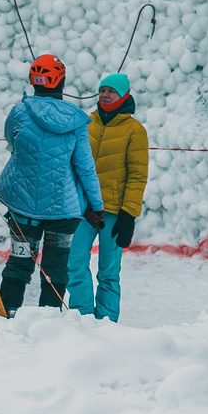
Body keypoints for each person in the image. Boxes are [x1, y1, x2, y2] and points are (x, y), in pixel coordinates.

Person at [0, 55, 102, 314]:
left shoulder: (19, 112)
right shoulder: (76, 121)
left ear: (33, 81)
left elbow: (12, 140)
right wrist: (96, 205)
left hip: (21, 205)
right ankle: (49, 319)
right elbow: (85, 168)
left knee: (19, 262)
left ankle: (7, 313)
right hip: (62, 209)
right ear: (61, 81)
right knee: (56, 266)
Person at [69, 72, 150, 321]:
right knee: (75, 264)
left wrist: (129, 215)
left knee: (108, 271)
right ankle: (82, 317)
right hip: (84, 209)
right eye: (102, 90)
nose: (105, 95)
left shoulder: (134, 130)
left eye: (111, 91)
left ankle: (106, 322)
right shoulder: (85, 124)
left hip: (114, 212)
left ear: (124, 95)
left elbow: (137, 176)